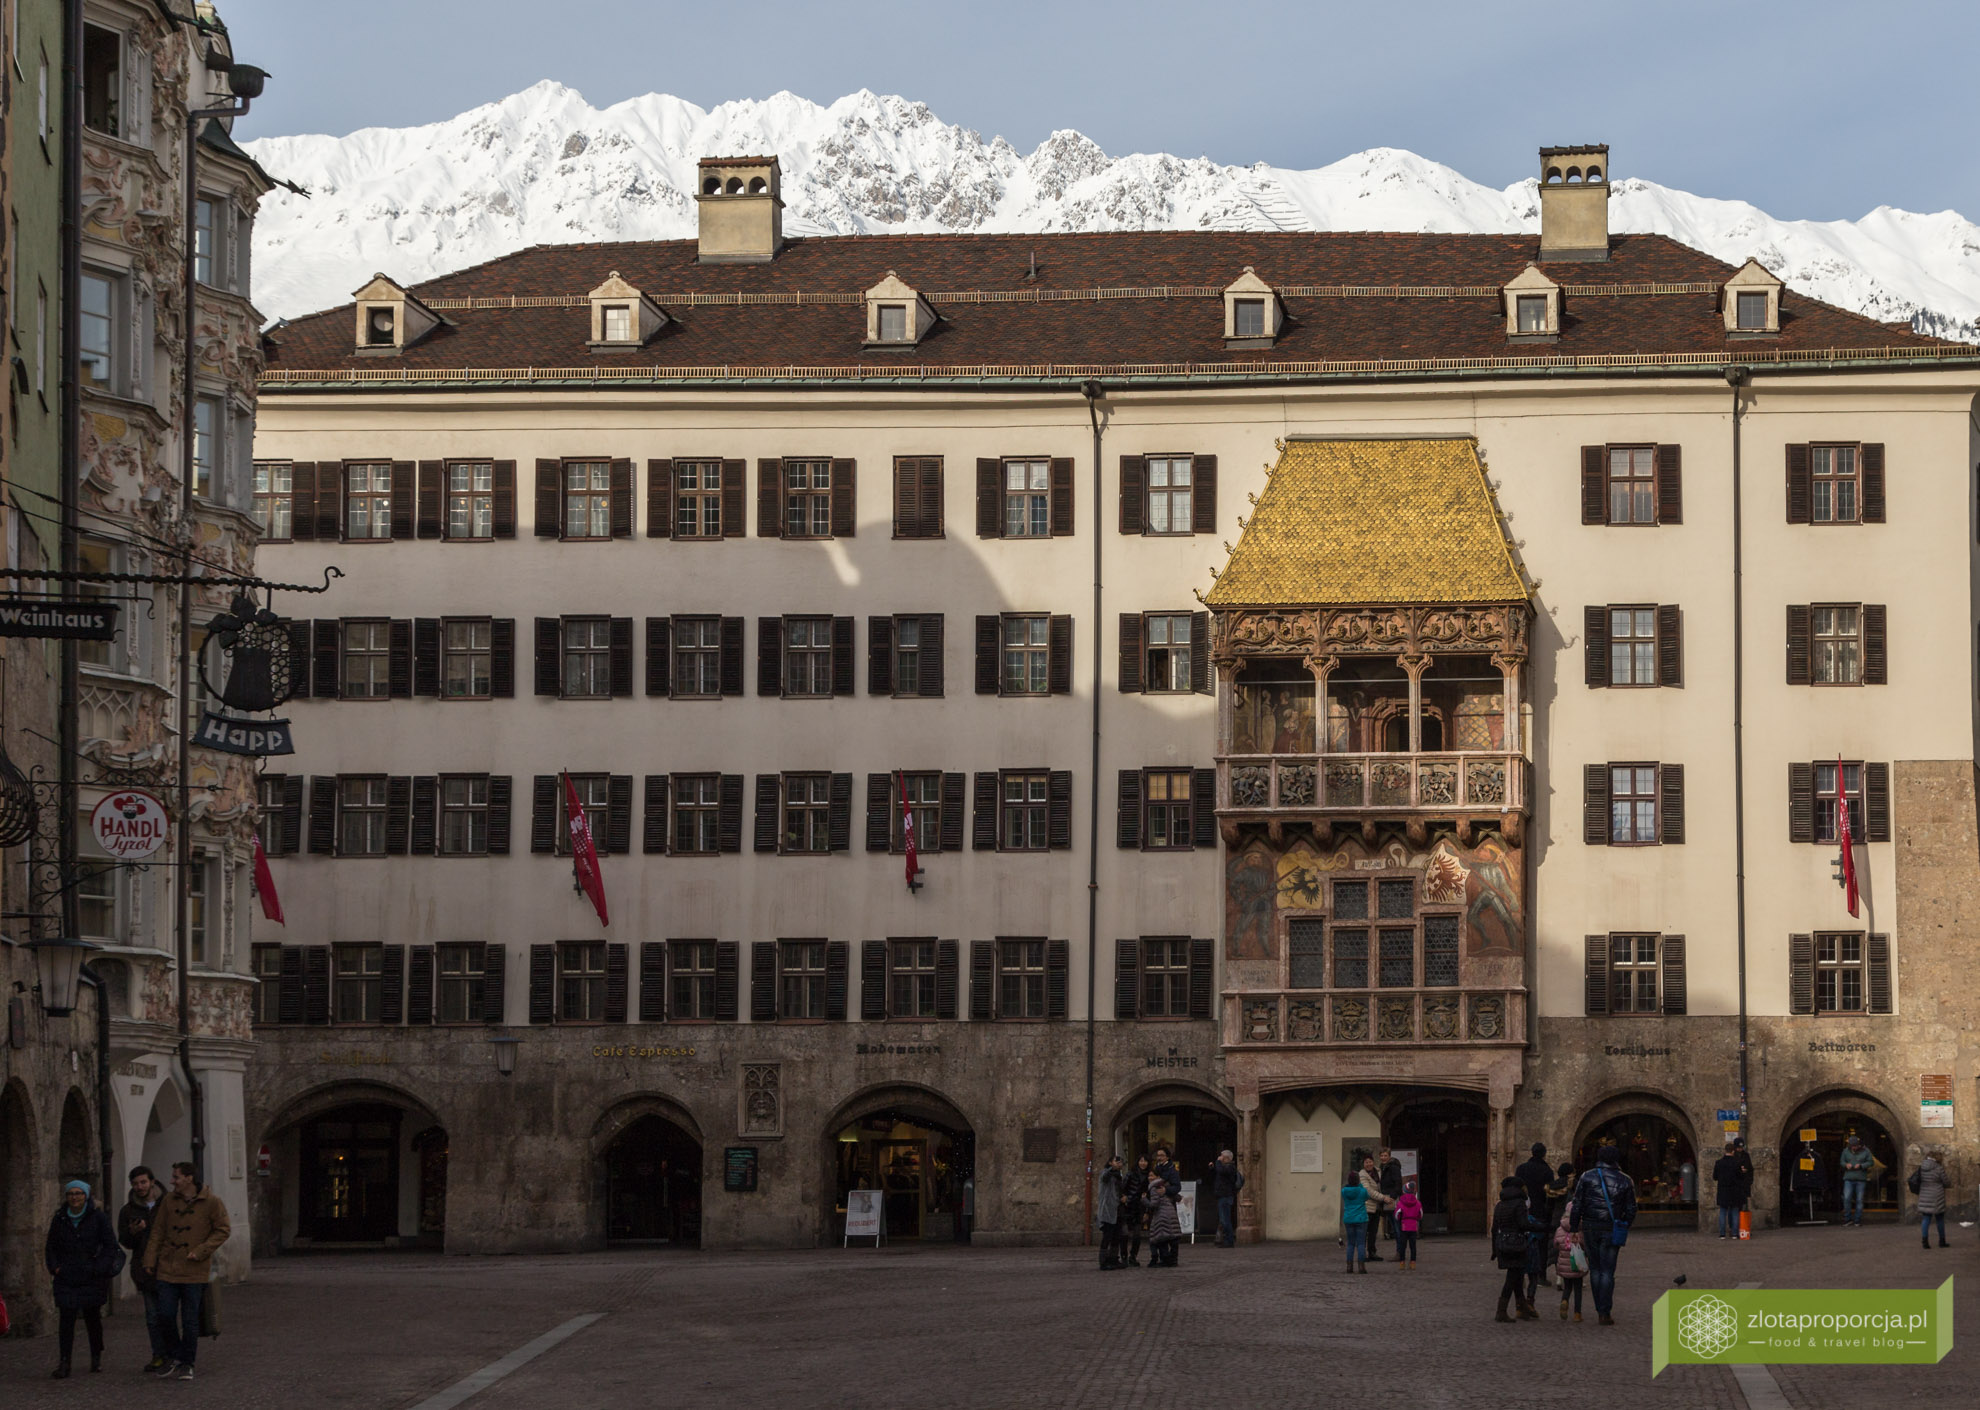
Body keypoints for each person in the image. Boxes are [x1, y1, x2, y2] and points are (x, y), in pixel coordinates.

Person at [142, 1162, 231, 1381]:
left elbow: (223, 1229)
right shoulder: (169, 1201)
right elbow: (158, 1231)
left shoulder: (211, 1202)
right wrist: (150, 1259)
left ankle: (187, 1362)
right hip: (168, 1267)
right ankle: (174, 1355)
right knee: (165, 1314)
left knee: (190, 1320)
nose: (172, 1181)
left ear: (189, 1178)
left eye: (176, 1177)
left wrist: (201, 1251)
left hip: (194, 1270)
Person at [45, 1180, 121, 1378]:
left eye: (79, 1193)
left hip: (91, 1275)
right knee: (66, 1319)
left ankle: (96, 1356)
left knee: (92, 1318)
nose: (75, 1197)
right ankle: (64, 1362)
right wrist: (55, 1268)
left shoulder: (98, 1218)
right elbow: (51, 1246)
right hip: (67, 1275)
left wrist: (99, 1268)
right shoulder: (60, 1218)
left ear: (86, 1196)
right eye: (71, 1193)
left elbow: (109, 1245)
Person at [1569, 1145, 1638, 1326]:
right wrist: (1624, 1224)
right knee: (1608, 1270)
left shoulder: (1586, 1176)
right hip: (1611, 1228)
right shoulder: (1625, 1180)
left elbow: (1577, 1204)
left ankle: (1599, 1306)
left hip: (1591, 1226)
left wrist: (1574, 1228)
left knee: (1596, 1268)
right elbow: (1631, 1208)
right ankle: (1604, 1311)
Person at [117, 1167, 172, 1372]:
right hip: (145, 1270)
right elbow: (125, 1241)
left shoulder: (167, 1203)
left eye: (143, 1182)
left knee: (168, 1313)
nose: (139, 1187)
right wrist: (134, 1232)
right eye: (135, 1183)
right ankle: (158, 1354)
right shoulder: (128, 1211)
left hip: (168, 1266)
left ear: (152, 1182)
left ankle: (173, 1353)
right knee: (152, 1316)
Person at [1490, 1176, 1541, 1322]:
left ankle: (1522, 1306)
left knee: (1517, 1275)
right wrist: (1541, 1227)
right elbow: (1524, 1224)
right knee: (1512, 1277)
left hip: (1503, 1244)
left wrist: (1494, 1249)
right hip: (1516, 1244)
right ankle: (1501, 1310)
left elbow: (1494, 1229)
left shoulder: (1500, 1205)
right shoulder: (1519, 1203)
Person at [1514, 1142, 1553, 1290]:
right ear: (1544, 1154)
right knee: (1541, 1245)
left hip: (1523, 1210)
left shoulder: (1521, 1169)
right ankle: (1540, 1275)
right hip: (1540, 1211)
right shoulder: (1546, 1171)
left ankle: (1520, 1274)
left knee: (1521, 1241)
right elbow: (1549, 1194)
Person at [1553, 1200, 1587, 1322]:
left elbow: (1556, 1244)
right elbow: (1584, 1245)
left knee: (1567, 1287)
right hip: (1577, 1263)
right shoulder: (1580, 1229)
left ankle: (1564, 1300)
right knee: (1578, 1289)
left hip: (1564, 1264)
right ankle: (1577, 1314)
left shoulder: (1560, 1228)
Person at [1209, 1149, 1244, 1249]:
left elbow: (1221, 1171)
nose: (1220, 1158)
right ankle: (1227, 1240)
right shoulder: (1224, 1168)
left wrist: (1218, 1162)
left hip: (1226, 1196)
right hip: (1222, 1196)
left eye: (1222, 1156)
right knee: (1224, 1219)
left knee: (1225, 1220)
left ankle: (1229, 1241)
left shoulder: (1230, 1167)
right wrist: (1212, 1168)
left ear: (1227, 1158)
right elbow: (1217, 1174)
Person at [1356, 1155, 1390, 1261]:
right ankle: (1363, 1253)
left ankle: (1372, 1252)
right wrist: (1383, 1197)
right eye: (1366, 1162)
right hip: (1367, 1207)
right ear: (1363, 1164)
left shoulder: (1379, 1171)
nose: (1369, 1164)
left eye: (1370, 1161)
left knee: (1373, 1231)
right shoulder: (1362, 1175)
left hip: (1377, 1207)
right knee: (1365, 1232)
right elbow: (1368, 1191)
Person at [1712, 1142, 1748, 1239]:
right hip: (1734, 1191)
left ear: (1725, 1151)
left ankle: (1722, 1234)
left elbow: (1714, 1177)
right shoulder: (1737, 1163)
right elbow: (1741, 1177)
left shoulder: (1718, 1163)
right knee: (1735, 1211)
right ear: (1733, 1151)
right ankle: (1734, 1234)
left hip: (1723, 1190)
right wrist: (1743, 1171)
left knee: (1723, 1211)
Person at [1915, 1147, 1949, 1249]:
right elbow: (1946, 1182)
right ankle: (1942, 1241)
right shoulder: (1938, 1168)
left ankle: (1925, 1242)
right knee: (1939, 1219)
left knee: (1926, 1218)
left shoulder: (1922, 1167)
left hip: (1925, 1194)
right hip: (1937, 1195)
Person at [1145, 1176, 1181, 1268]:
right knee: (1173, 1238)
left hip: (1161, 1215)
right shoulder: (1165, 1186)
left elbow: (1154, 1204)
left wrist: (1144, 1200)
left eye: (1152, 1175)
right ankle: (1174, 1260)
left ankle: (1166, 1260)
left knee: (1161, 1238)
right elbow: (1178, 1197)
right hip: (1171, 1214)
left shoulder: (1154, 1187)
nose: (1150, 1178)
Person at [1839, 1133, 1874, 1227]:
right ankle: (1847, 1219)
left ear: (1858, 1144)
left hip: (1860, 1179)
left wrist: (1862, 1165)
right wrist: (1846, 1165)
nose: (1853, 1148)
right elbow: (1841, 1161)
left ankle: (1857, 1220)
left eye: (1855, 1146)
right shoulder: (1845, 1151)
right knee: (1846, 1198)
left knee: (1859, 1200)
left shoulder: (1866, 1151)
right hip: (1848, 1178)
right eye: (1852, 1146)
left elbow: (1871, 1162)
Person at [1121, 1154, 1150, 1267]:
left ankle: (1133, 1256)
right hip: (1128, 1206)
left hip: (1140, 1207)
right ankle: (1123, 1257)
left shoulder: (1149, 1175)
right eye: (1141, 1161)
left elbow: (1149, 1195)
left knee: (1137, 1235)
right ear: (1138, 1162)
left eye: (1145, 1161)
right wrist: (1124, 1197)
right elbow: (1123, 1187)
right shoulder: (1131, 1173)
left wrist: (1147, 1211)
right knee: (1124, 1234)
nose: (1143, 1163)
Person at [1097, 1153, 1125, 1269]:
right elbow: (1105, 1178)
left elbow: (1119, 1190)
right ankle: (1103, 1261)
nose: (1119, 1163)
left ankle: (1113, 1259)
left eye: (1120, 1162)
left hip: (1117, 1208)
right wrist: (1112, 1168)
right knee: (1107, 1236)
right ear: (1110, 1163)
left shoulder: (1119, 1175)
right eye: (1116, 1161)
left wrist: (1123, 1197)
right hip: (1108, 1209)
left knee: (1116, 1236)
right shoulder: (1106, 1173)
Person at [1340, 1170, 1372, 1273]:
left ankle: (1349, 1267)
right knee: (1361, 1243)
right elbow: (1367, 1196)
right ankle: (1361, 1267)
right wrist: (1361, 1186)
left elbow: (1344, 1194)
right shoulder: (1362, 1191)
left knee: (1350, 1243)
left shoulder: (1344, 1191)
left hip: (1349, 1218)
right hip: (1361, 1218)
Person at [1376, 1147, 1404, 1253]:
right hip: (1386, 1199)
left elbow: (1398, 1183)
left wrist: (1392, 1197)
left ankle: (1400, 1251)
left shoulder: (1393, 1167)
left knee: (1397, 1226)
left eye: (1385, 1156)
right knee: (1393, 1225)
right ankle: (1399, 1250)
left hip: (1392, 1200)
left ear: (1389, 1156)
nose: (1383, 1158)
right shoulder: (1382, 1168)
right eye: (1382, 1156)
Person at [1394, 1179, 1423, 1270]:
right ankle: (1412, 1262)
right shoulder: (1417, 1203)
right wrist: (1416, 1219)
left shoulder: (1400, 1203)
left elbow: (1397, 1215)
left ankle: (1402, 1263)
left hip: (1404, 1226)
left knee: (1403, 1245)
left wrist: (1400, 1219)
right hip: (1413, 1226)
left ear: (1403, 1191)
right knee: (1413, 1246)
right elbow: (1420, 1214)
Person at [1544, 1162, 1575, 1232]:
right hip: (1570, 1217)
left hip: (1556, 1217)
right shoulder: (1574, 1184)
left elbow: (1549, 1206)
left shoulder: (1552, 1186)